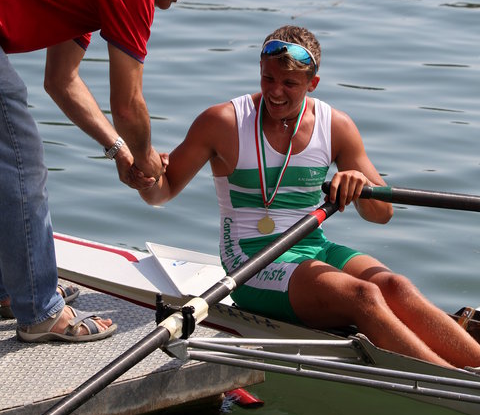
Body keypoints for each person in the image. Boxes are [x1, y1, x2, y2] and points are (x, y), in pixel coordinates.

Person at [139, 25, 480, 369]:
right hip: (251, 260)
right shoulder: (223, 122)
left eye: (289, 84)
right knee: (364, 296)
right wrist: (143, 175)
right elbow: (161, 192)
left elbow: (382, 214)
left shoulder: (336, 126)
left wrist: (359, 183)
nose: (275, 92)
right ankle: (457, 386)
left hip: (313, 245)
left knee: (396, 286)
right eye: (267, 78)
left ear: (312, 83)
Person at [0, 0, 215, 342]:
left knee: (8, 166)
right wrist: (149, 161)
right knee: (22, 165)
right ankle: (40, 310)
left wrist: (120, 150)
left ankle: (10, 292)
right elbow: (129, 105)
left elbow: (61, 81)